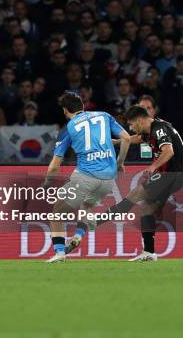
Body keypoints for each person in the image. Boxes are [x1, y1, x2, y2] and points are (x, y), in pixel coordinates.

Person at [88, 105, 183, 261]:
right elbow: (138, 138)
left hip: (171, 174)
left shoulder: (159, 129)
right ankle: (149, 252)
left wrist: (153, 166)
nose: (130, 128)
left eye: (131, 124)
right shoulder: (151, 129)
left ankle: (96, 221)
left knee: (135, 195)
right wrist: (117, 141)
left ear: (140, 121)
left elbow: (169, 151)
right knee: (146, 208)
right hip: (174, 175)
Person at [44, 92, 130, 263]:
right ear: (82, 106)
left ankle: (60, 253)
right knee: (86, 207)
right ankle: (78, 234)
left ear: (65, 111)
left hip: (86, 177)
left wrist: (47, 183)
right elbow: (126, 138)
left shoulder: (68, 128)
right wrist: (119, 162)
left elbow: (54, 166)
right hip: (108, 180)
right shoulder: (104, 116)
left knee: (56, 215)